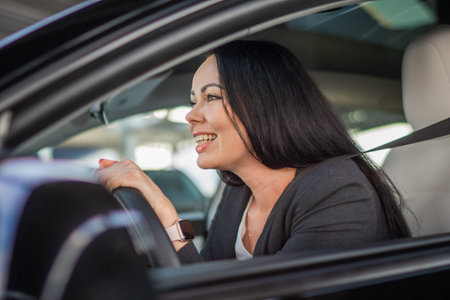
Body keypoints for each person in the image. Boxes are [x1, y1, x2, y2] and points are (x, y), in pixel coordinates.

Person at [97, 40, 410, 264]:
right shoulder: (237, 190)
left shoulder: (339, 191)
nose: (190, 116)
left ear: (264, 104)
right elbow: (208, 280)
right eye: (193, 100)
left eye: (211, 97)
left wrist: (167, 218)